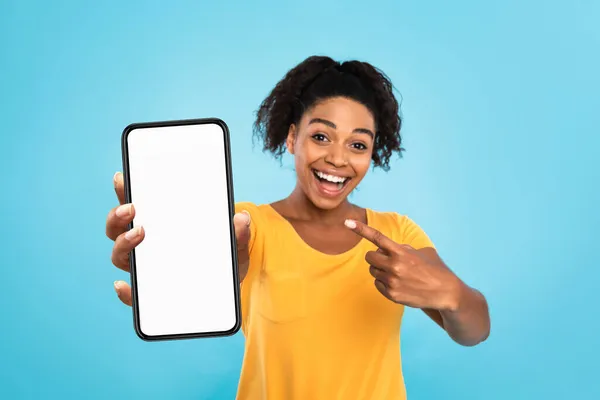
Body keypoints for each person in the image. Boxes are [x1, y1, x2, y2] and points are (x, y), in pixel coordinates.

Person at [105, 55, 491, 400]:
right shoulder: (247, 225)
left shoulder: (398, 233)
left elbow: (473, 331)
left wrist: (452, 293)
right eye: (321, 136)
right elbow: (199, 269)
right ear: (292, 138)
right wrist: (172, 274)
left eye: (358, 145)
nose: (338, 158)